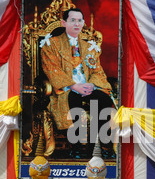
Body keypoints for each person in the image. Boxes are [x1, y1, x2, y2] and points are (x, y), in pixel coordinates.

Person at [41, 8, 115, 159]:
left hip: (87, 88)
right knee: (74, 101)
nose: (77, 24)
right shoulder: (51, 45)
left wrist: (92, 85)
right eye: (72, 20)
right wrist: (74, 86)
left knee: (103, 100)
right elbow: (51, 69)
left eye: (80, 20)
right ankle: (76, 147)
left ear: (83, 23)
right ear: (64, 22)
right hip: (66, 89)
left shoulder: (89, 47)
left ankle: (96, 145)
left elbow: (97, 71)